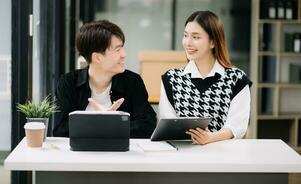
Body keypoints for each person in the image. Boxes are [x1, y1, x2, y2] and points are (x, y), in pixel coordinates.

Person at [158, 10, 252, 145]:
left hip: (223, 156)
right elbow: (166, 123)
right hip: (182, 156)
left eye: (196, 37)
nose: (187, 43)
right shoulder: (171, 79)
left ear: (213, 42)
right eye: (185, 35)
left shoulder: (237, 79)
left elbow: (238, 127)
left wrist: (210, 138)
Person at [53, 20, 156, 138]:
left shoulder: (132, 82)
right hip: (82, 154)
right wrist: (100, 122)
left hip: (122, 154)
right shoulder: (68, 83)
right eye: (117, 50)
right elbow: (61, 130)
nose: (124, 54)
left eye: (122, 48)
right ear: (97, 58)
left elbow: (148, 126)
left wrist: (111, 123)